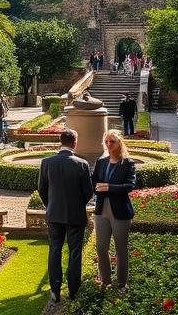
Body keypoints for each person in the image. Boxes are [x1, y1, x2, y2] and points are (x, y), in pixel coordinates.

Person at [38, 129, 94, 304]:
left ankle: (55, 290)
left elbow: (42, 189)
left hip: (54, 214)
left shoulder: (46, 162)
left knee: (55, 250)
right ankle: (73, 290)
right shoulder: (82, 164)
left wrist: (51, 206)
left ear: (59, 141)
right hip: (75, 215)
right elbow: (88, 193)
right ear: (75, 142)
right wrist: (77, 205)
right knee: (75, 252)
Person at [92, 130, 136, 291]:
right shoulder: (101, 162)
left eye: (112, 141)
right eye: (107, 141)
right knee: (101, 247)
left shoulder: (127, 163)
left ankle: (122, 283)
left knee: (121, 249)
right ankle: (105, 279)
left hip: (120, 212)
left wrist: (109, 187)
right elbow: (93, 181)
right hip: (101, 210)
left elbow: (130, 186)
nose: (109, 144)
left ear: (119, 143)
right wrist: (96, 188)